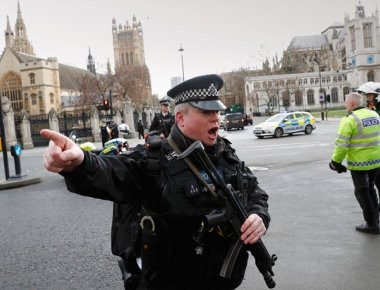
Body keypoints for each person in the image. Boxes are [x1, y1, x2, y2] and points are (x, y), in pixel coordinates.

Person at [41, 74, 270, 289]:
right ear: (180, 118)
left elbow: (255, 192)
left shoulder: (225, 154)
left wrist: (258, 216)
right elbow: (113, 172)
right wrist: (80, 162)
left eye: (217, 112)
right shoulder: (154, 161)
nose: (216, 118)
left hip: (220, 281)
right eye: (205, 112)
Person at [329, 92, 380, 234]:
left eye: (346, 103)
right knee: (371, 189)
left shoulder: (349, 120)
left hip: (360, 164)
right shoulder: (374, 115)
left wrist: (335, 163)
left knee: (362, 192)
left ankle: (372, 224)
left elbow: (341, 145)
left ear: (351, 104)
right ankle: (376, 219)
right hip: (376, 161)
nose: (345, 105)